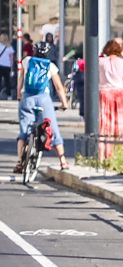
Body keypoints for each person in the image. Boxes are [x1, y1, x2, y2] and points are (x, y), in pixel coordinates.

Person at [13, 39, 71, 174]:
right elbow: (58, 87)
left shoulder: (27, 61)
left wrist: (18, 95)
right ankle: (62, 161)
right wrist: (64, 103)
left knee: (24, 131)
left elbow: (21, 80)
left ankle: (20, 162)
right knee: (52, 128)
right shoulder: (50, 66)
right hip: (44, 100)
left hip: (27, 98)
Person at [97, 38, 123, 163]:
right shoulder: (122, 62)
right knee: (121, 124)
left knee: (105, 125)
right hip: (119, 93)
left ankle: (103, 156)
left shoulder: (100, 61)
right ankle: (120, 154)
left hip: (105, 93)